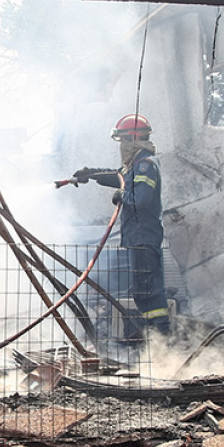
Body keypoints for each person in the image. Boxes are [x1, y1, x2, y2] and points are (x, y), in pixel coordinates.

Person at [68, 114, 170, 336]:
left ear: (133, 139)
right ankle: (156, 339)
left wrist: (121, 195)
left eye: (124, 140)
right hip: (139, 239)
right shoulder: (135, 165)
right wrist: (91, 174)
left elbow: (140, 199)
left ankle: (162, 339)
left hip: (144, 239)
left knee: (149, 293)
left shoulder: (144, 166)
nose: (122, 146)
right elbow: (118, 176)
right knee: (143, 292)